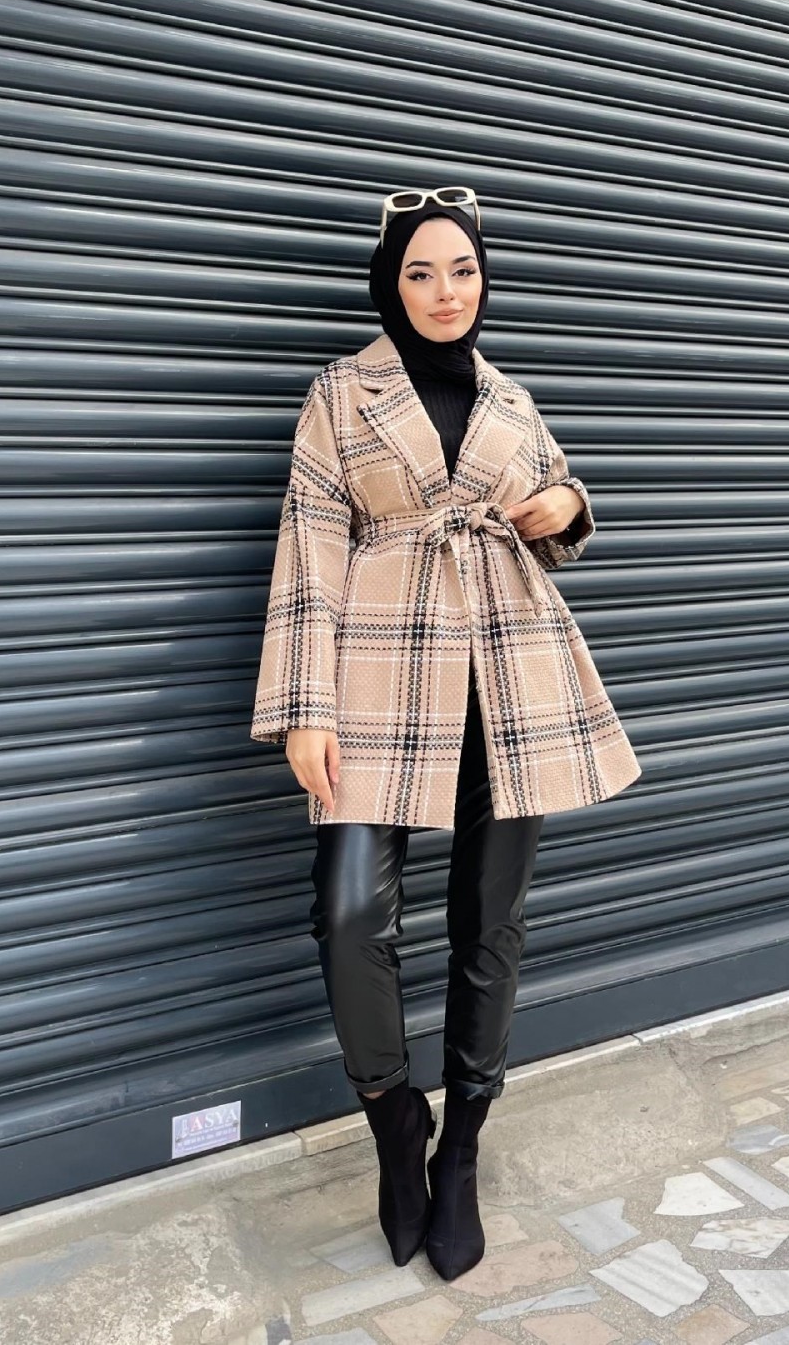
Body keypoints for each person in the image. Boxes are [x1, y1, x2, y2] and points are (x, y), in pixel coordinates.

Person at [251, 187, 642, 1280]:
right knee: (347, 918)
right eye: (420, 272)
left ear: (483, 280)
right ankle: (395, 1123)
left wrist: (568, 508)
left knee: (490, 924)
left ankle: (462, 1141)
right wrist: (305, 705)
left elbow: (556, 500)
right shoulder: (342, 392)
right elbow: (309, 548)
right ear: (390, 282)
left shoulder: (511, 398)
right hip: (377, 674)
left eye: (462, 271)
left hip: (508, 675)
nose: (444, 292)